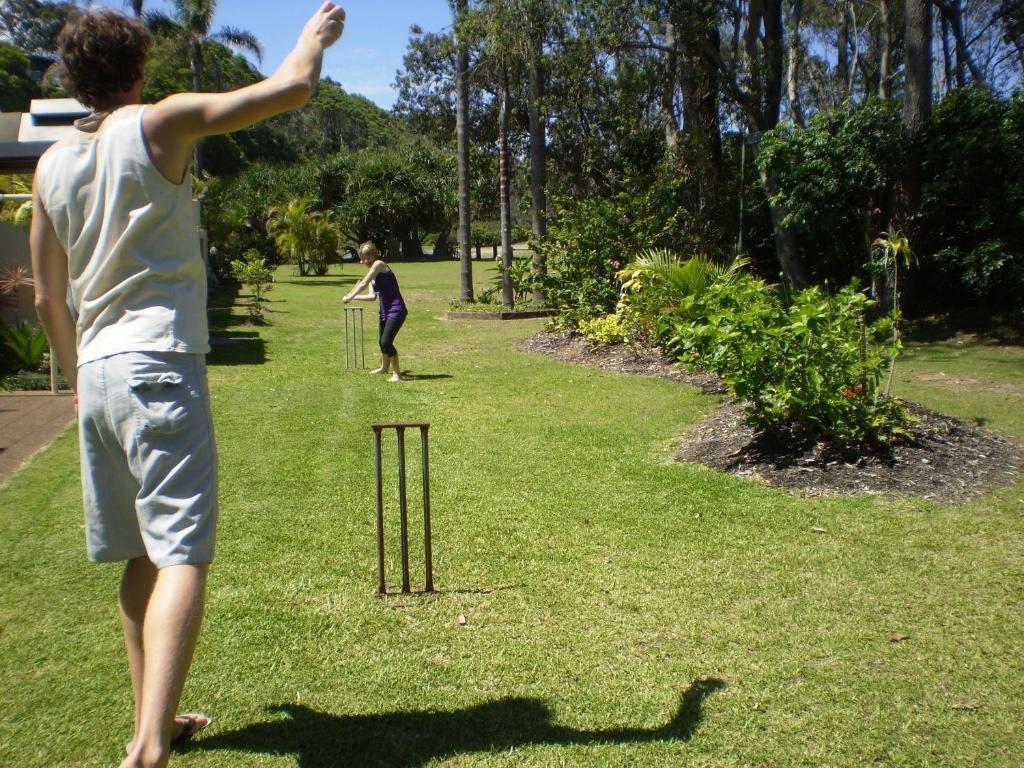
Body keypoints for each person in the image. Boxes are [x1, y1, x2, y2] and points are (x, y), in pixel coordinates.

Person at [29, 5, 346, 767]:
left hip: (99, 374)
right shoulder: (160, 123)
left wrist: (77, 382)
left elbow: (46, 296)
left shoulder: (50, 165)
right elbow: (290, 88)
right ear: (139, 70)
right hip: (157, 364)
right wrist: (316, 36)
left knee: (143, 555)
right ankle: (147, 748)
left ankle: (155, 722)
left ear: (75, 79)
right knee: (181, 554)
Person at [343, 241, 408, 382]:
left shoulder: (379, 265)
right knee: (381, 341)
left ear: (374, 254)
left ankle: (397, 374)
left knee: (386, 342)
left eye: (369, 256)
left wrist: (351, 295)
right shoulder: (373, 274)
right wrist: (352, 297)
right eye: (364, 258)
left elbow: (363, 283)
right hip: (384, 311)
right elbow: (372, 296)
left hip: (396, 309)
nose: (367, 260)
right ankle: (384, 368)